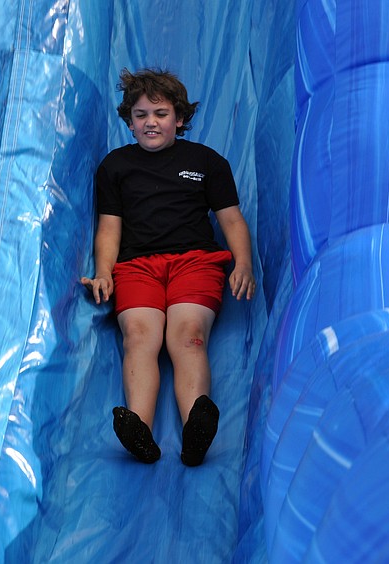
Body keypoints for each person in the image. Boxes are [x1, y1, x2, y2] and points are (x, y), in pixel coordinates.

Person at [81, 68, 255, 467]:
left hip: (194, 262)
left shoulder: (207, 162)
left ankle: (196, 427)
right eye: (141, 115)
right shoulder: (115, 167)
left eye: (160, 113)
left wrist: (242, 262)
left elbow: (231, 219)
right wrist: (105, 271)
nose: (151, 122)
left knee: (188, 335)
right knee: (140, 338)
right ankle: (139, 429)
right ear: (128, 122)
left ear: (179, 117)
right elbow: (110, 228)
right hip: (137, 267)